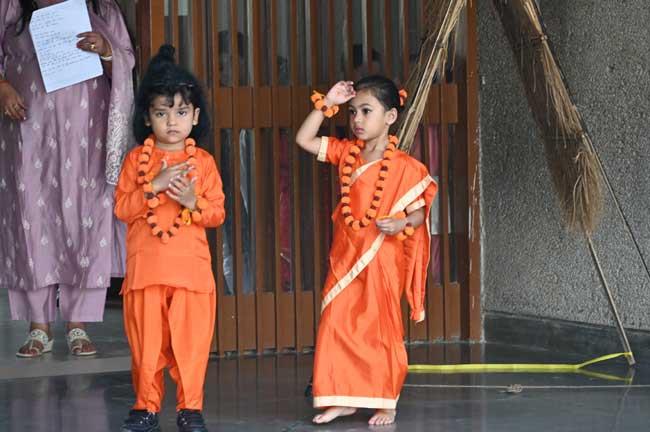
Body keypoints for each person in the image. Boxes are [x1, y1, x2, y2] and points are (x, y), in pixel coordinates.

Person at [295, 76, 438, 426]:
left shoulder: (405, 166)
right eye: (353, 112)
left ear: (390, 117)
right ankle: (342, 398)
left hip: (382, 257)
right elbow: (304, 139)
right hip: (345, 255)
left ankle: (385, 401)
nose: (357, 119)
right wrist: (328, 102)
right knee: (336, 322)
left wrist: (401, 223)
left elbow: (419, 213)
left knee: (379, 327)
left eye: (366, 111)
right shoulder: (347, 153)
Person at [0, 0, 134, 357]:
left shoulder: (101, 8)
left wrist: (106, 51)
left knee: (85, 219)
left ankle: (79, 324)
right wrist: (2, 86)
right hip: (28, 130)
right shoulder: (13, 6)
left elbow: (126, 59)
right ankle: (38, 326)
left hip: (87, 135)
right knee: (31, 220)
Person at [114, 45, 225, 432]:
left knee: (190, 346)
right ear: (147, 117)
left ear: (195, 116)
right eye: (162, 113)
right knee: (146, 347)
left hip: (191, 275)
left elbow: (217, 214)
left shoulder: (203, 163)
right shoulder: (136, 161)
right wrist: (154, 186)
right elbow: (122, 209)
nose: (172, 122)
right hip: (146, 272)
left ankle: (190, 408)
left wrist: (193, 201)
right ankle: (145, 407)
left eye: (180, 113)